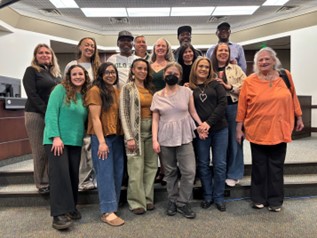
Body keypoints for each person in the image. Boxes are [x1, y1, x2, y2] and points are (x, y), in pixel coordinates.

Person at [236, 47, 304, 212]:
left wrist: (299, 116)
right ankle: (258, 198)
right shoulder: (250, 81)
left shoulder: (285, 76)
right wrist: (239, 128)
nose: (264, 62)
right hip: (257, 129)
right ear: (256, 64)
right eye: (260, 60)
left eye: (267, 59)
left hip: (280, 128)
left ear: (274, 61)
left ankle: (275, 200)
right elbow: (242, 106)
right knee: (259, 166)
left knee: (276, 167)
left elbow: (293, 96)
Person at [151, 62, 205, 219]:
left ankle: (183, 202)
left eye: (175, 73)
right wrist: (155, 140)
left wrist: (201, 125)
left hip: (184, 135)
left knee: (189, 171)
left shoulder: (187, 91)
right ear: (164, 75)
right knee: (170, 172)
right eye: (169, 73)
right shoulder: (157, 95)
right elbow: (155, 120)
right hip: (165, 137)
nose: (172, 75)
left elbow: (192, 111)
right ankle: (172, 200)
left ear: (180, 76)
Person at [43, 65, 90, 230]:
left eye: (81, 73)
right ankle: (58, 215)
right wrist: (55, 136)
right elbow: (51, 113)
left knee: (72, 176)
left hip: (75, 141)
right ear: (68, 76)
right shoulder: (60, 89)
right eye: (74, 74)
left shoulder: (84, 95)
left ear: (85, 76)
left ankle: (70, 207)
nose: (78, 76)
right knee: (59, 176)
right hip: (57, 141)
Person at [86, 62, 125, 226]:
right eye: (107, 72)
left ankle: (113, 205)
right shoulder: (95, 91)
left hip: (116, 137)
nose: (111, 75)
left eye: (113, 72)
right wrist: (101, 142)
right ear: (101, 75)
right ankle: (107, 211)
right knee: (105, 174)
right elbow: (95, 118)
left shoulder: (116, 91)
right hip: (102, 138)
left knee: (118, 172)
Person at [189, 57, 228, 212]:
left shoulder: (216, 84)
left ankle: (219, 197)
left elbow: (222, 104)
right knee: (203, 164)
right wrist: (201, 127)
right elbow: (189, 111)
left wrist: (208, 123)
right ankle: (207, 196)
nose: (204, 69)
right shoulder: (189, 88)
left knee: (219, 165)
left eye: (206, 67)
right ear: (195, 68)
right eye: (201, 66)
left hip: (219, 129)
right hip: (201, 132)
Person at [120, 58, 157, 215]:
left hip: (151, 130)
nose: (142, 71)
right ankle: (136, 202)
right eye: (139, 68)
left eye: (145, 69)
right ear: (133, 70)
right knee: (136, 168)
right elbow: (123, 112)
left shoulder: (150, 88)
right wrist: (129, 136)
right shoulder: (127, 88)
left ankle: (147, 199)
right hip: (135, 132)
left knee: (151, 166)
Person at [23, 43, 61, 194]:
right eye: (41, 53)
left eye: (48, 53)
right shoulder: (31, 71)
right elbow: (32, 95)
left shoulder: (54, 74)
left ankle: (52, 180)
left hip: (51, 115)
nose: (45, 55)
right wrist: (47, 112)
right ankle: (42, 184)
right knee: (40, 150)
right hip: (36, 115)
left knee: (52, 149)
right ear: (36, 56)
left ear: (52, 56)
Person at [65, 37, 101, 191]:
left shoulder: (97, 66)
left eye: (92, 46)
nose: (89, 48)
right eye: (86, 45)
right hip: (77, 107)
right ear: (80, 46)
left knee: (93, 143)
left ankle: (95, 177)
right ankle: (83, 179)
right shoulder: (72, 65)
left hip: (93, 107)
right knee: (83, 145)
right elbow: (67, 86)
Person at [210, 43, 246, 187]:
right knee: (218, 142)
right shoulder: (209, 68)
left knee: (234, 141)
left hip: (232, 107)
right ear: (215, 52)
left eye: (226, 50)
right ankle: (220, 172)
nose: (223, 53)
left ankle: (234, 173)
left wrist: (229, 87)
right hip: (214, 110)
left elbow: (246, 87)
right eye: (220, 50)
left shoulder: (236, 69)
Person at [150, 38, 175, 184]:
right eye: (158, 45)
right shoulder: (148, 65)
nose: (160, 48)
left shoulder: (171, 66)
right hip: (152, 104)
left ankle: (167, 170)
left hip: (167, 104)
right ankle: (159, 169)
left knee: (166, 137)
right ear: (154, 48)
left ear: (167, 49)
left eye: (163, 46)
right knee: (156, 137)